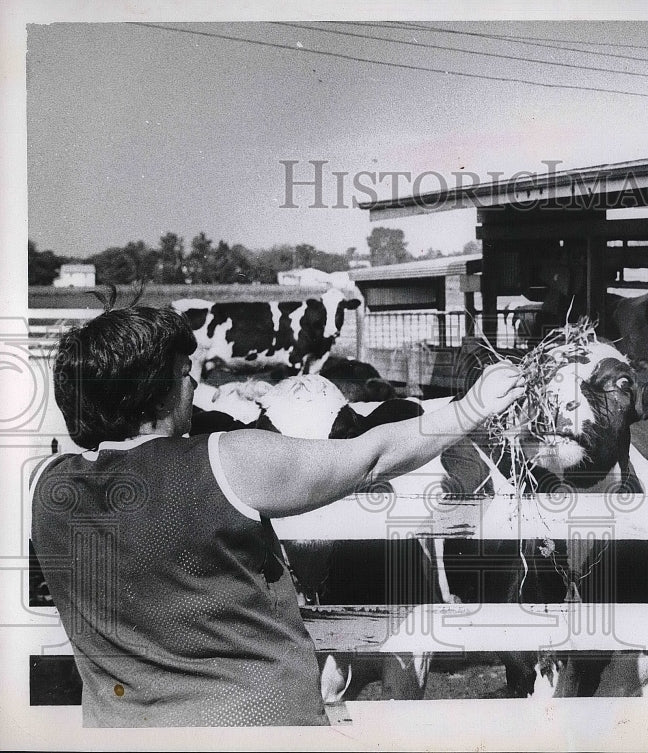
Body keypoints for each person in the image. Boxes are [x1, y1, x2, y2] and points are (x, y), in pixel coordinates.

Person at [30, 292, 523, 727]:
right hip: (256, 724)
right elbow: (372, 458)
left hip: (122, 730)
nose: (194, 390)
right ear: (154, 388)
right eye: (185, 376)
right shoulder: (227, 460)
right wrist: (471, 407)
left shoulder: (48, 487)